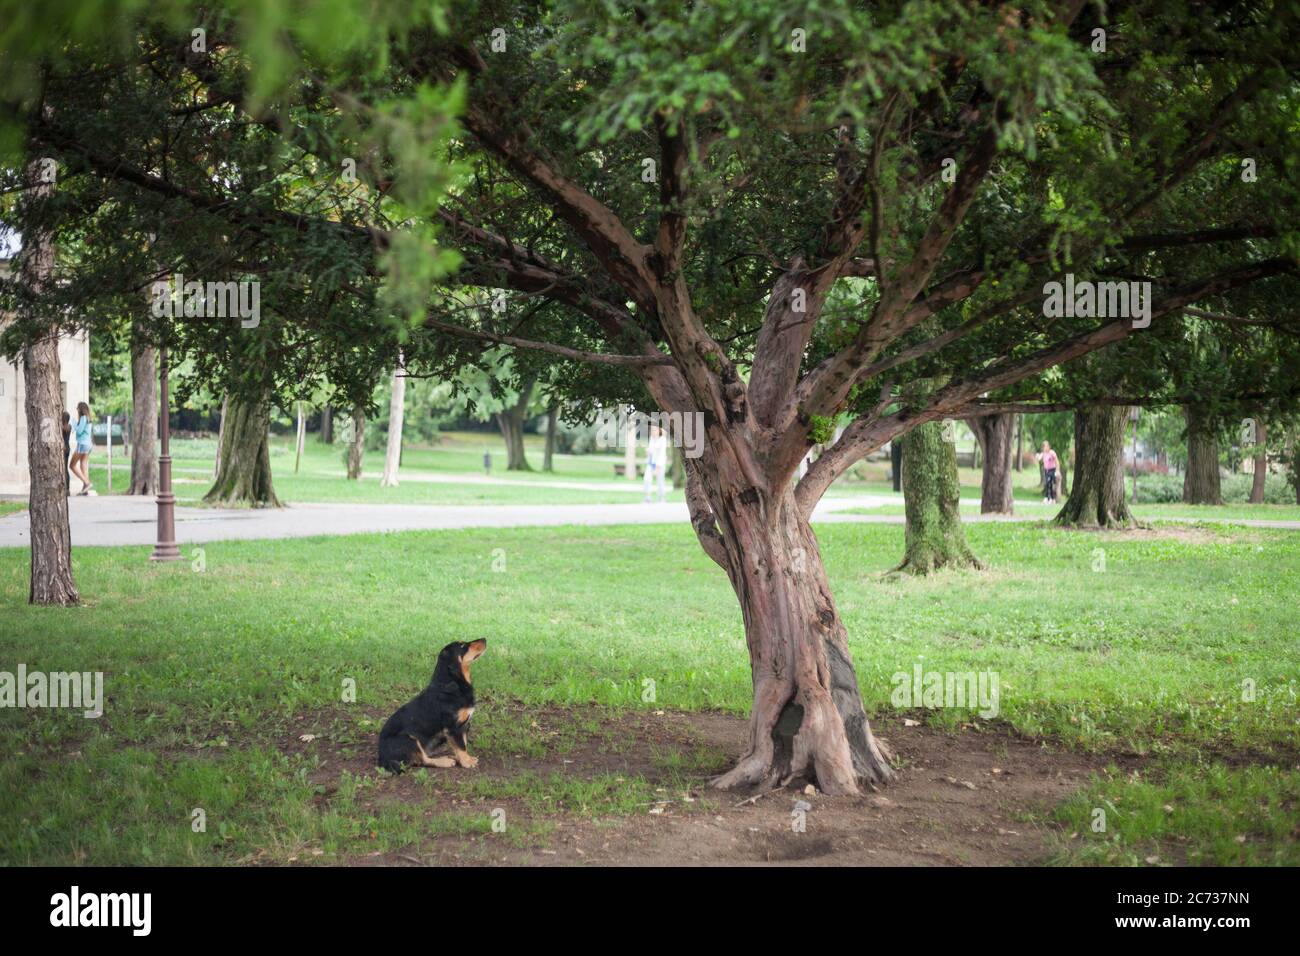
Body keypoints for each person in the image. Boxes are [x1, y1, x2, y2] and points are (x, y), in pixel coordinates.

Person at [69, 401, 94, 496]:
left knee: (72, 465)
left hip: (82, 444)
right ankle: (85, 489)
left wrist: (74, 423)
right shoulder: (88, 418)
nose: (77, 410)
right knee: (83, 466)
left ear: (81, 409)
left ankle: (87, 483)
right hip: (88, 444)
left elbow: (79, 431)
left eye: (77, 408)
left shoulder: (83, 418)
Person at [643, 423, 669, 503]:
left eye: (655, 430)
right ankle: (647, 497)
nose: (653, 432)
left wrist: (658, 465)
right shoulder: (651, 438)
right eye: (652, 430)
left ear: (659, 430)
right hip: (651, 462)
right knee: (647, 479)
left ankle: (661, 497)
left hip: (660, 464)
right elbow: (651, 451)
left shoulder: (662, 440)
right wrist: (648, 451)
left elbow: (662, 454)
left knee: (660, 480)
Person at [61, 411, 72, 496]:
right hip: (68, 448)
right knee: (65, 469)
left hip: (64, 449)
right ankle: (67, 488)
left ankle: (66, 489)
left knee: (64, 469)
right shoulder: (69, 426)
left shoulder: (63, 427)